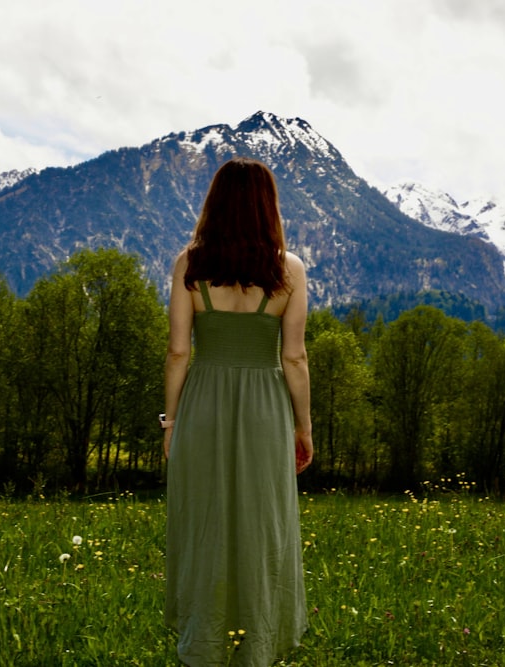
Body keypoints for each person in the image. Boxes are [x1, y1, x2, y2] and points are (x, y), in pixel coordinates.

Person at [163, 156, 314, 666]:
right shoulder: (288, 270)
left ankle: (203, 641)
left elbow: (178, 352)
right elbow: (294, 356)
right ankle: (258, 642)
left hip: (203, 402)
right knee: (263, 523)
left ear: (215, 203)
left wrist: (171, 422)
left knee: (203, 518)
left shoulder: (191, 264)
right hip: (266, 408)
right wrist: (304, 426)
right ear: (267, 206)